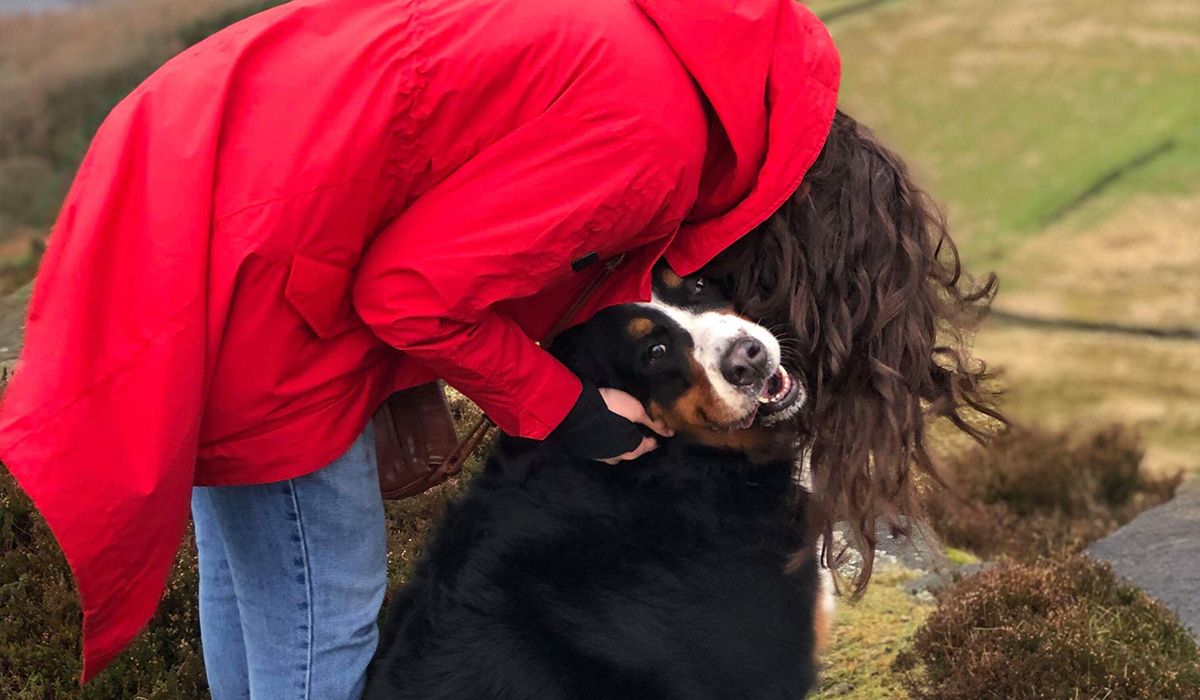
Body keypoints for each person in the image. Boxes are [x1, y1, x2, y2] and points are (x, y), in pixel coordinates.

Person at [0, 0, 997, 697]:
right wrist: (565, 410)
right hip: (261, 256)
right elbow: (407, 291)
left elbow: (424, 190)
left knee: (262, 583)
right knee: (324, 605)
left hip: (210, 178)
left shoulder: (651, 54)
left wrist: (411, 388)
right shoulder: (652, 134)